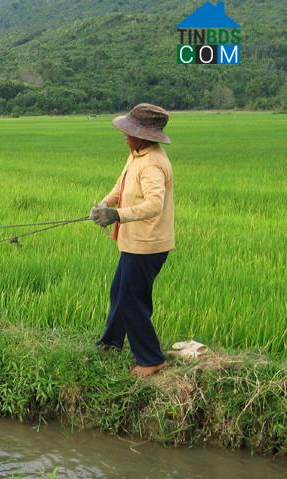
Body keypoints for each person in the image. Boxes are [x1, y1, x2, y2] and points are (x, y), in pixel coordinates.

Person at [90, 103, 174, 377]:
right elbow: (120, 186)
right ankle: (110, 343)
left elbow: (154, 205)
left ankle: (151, 359)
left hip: (148, 245)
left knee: (131, 300)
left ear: (144, 136)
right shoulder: (137, 155)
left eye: (130, 132)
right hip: (134, 242)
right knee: (120, 293)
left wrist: (116, 214)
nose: (125, 136)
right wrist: (104, 203)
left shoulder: (152, 164)